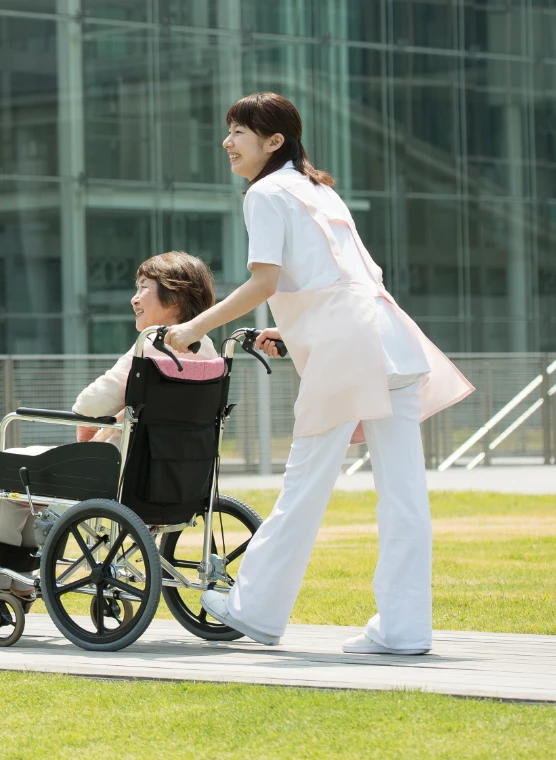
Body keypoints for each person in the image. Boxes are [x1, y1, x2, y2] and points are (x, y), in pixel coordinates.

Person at [165, 92, 473, 655]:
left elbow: (263, 283)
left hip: (347, 351)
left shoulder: (264, 193)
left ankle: (255, 608)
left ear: (274, 141)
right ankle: (405, 629)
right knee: (404, 496)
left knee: (303, 486)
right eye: (228, 131)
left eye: (240, 131)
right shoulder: (319, 190)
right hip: (392, 341)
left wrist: (189, 330)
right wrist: (290, 330)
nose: (227, 142)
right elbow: (340, 278)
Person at [0, 251, 219, 596]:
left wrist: (98, 425)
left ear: (175, 297)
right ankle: (12, 576)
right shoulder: (210, 352)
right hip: (180, 479)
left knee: (9, 472)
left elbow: (87, 406)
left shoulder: (151, 344)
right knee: (27, 470)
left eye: (143, 288)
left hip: (120, 475)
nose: (134, 299)